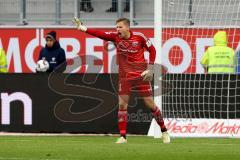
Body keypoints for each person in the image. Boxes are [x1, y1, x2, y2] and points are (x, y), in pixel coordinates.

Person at [73, 17, 170, 144]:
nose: (117, 29)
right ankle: (123, 137)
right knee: (122, 105)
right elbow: (100, 34)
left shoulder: (139, 37)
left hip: (141, 76)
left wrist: (150, 68)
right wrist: (83, 28)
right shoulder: (115, 37)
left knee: (150, 105)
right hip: (125, 77)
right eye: (116, 27)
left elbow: (152, 50)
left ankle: (164, 131)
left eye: (120, 27)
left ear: (127, 28)